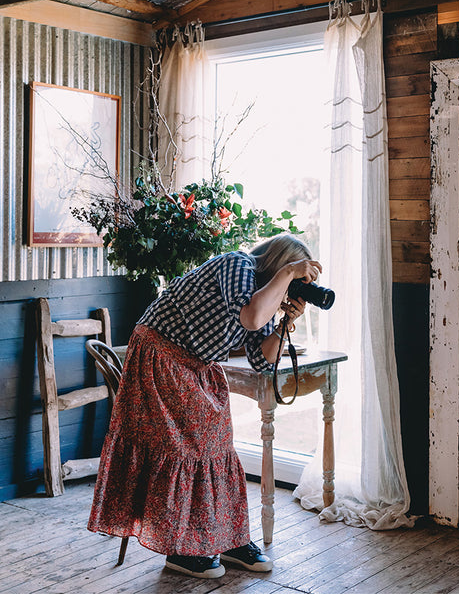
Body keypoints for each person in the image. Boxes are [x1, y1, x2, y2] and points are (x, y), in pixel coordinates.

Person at [88, 234, 321, 580]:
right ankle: (181, 550)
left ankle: (228, 538)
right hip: (161, 353)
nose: (296, 284)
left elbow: (263, 358)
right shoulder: (237, 264)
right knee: (187, 448)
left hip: (196, 363)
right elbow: (252, 318)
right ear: (278, 264)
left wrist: (287, 320)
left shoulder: (265, 297)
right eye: (295, 274)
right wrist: (287, 275)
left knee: (219, 448)